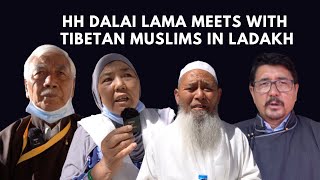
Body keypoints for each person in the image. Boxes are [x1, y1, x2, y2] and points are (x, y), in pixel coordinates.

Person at [137, 61, 261, 180]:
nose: (200, 95)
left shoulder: (235, 137)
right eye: (191, 89)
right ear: (177, 96)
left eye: (207, 89)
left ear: (218, 95)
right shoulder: (160, 142)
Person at [60, 53, 175, 180]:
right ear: (97, 92)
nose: (120, 84)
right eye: (108, 79)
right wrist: (104, 167)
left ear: (139, 84)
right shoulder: (87, 131)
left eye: (127, 75)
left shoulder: (166, 121)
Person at [0, 44, 82, 180]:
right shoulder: (6, 142)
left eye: (61, 73)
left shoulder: (90, 135)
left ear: (73, 87)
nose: (50, 82)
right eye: (40, 73)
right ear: (26, 87)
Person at [235, 52, 320, 180]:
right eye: (264, 84)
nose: (273, 92)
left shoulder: (317, 134)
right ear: (252, 92)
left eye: (282, 83)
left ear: (296, 90)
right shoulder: (231, 137)